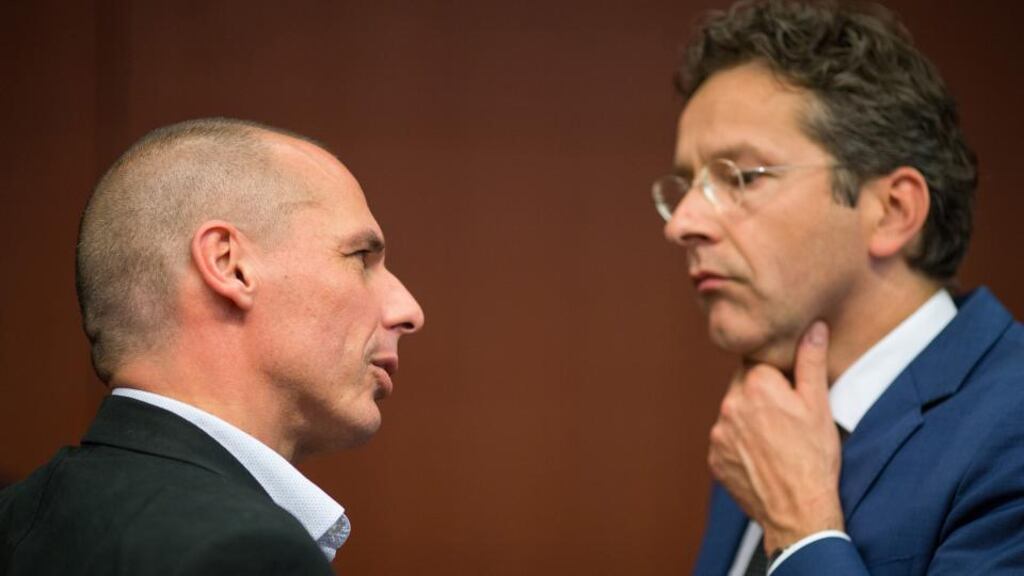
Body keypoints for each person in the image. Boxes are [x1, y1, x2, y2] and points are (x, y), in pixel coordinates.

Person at [652, 1, 1024, 574]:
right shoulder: (761, 419)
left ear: (893, 212)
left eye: (740, 177)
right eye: (688, 185)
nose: (682, 224)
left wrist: (800, 530)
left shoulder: (1010, 427)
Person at [0, 118, 424, 575]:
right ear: (229, 265)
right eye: (360, 257)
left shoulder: (15, 515)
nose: (409, 311)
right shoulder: (245, 553)